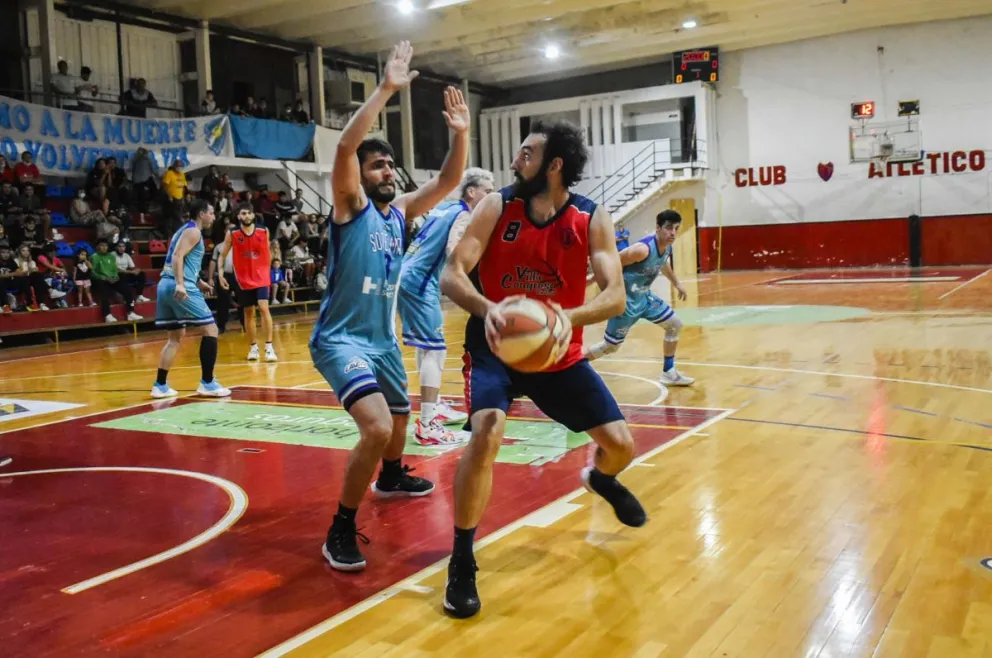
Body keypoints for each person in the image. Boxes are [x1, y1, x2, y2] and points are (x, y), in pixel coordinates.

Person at [439, 119, 647, 618]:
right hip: (494, 347)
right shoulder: (496, 206)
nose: (516, 161)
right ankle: (462, 559)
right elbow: (453, 274)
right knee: (487, 430)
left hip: (558, 354)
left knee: (621, 446)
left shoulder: (589, 217)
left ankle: (602, 479)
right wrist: (490, 310)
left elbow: (615, 296)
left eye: (527, 154)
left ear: (554, 165)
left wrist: (561, 320)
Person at [311, 41, 470, 572]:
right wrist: (386, 89)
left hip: (381, 339)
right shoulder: (350, 205)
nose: (388, 172)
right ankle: (339, 527)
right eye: (378, 165)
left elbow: (449, 182)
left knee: (398, 425)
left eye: (390, 165)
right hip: (340, 339)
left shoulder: (399, 214)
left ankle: (392, 475)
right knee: (376, 429)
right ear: (361, 174)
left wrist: (461, 133)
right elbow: (342, 151)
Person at [398, 167, 495, 445]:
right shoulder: (463, 215)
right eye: (487, 192)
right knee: (436, 350)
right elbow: (455, 253)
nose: (491, 197)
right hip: (420, 281)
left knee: (426, 346)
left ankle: (435, 405)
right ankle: (427, 425)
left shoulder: (445, 209)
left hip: (408, 274)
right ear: (472, 192)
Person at [584, 210, 694, 385]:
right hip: (625, 304)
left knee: (674, 325)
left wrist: (677, 283)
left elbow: (663, 263)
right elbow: (612, 262)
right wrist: (590, 281)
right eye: (668, 228)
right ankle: (573, 366)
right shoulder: (642, 250)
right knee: (611, 346)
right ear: (657, 228)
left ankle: (668, 372)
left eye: (676, 228)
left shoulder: (667, 247)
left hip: (644, 298)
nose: (673, 232)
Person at [151, 199, 231, 399]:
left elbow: (182, 260)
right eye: (211, 212)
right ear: (202, 213)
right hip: (177, 285)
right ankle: (208, 383)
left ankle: (160, 385)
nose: (213, 217)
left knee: (175, 338)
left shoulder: (183, 230)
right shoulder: (194, 232)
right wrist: (181, 283)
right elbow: (178, 256)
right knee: (211, 329)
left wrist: (198, 281)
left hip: (165, 285)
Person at [219, 203, 277, 362]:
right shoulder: (232, 233)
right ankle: (253, 347)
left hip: (261, 275)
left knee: (264, 307)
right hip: (243, 277)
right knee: (248, 312)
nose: (246, 216)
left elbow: (268, 252)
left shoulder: (263, 230)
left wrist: (268, 270)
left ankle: (269, 346)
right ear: (238, 216)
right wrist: (221, 274)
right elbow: (222, 255)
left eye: (249, 213)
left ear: (253, 215)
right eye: (243, 214)